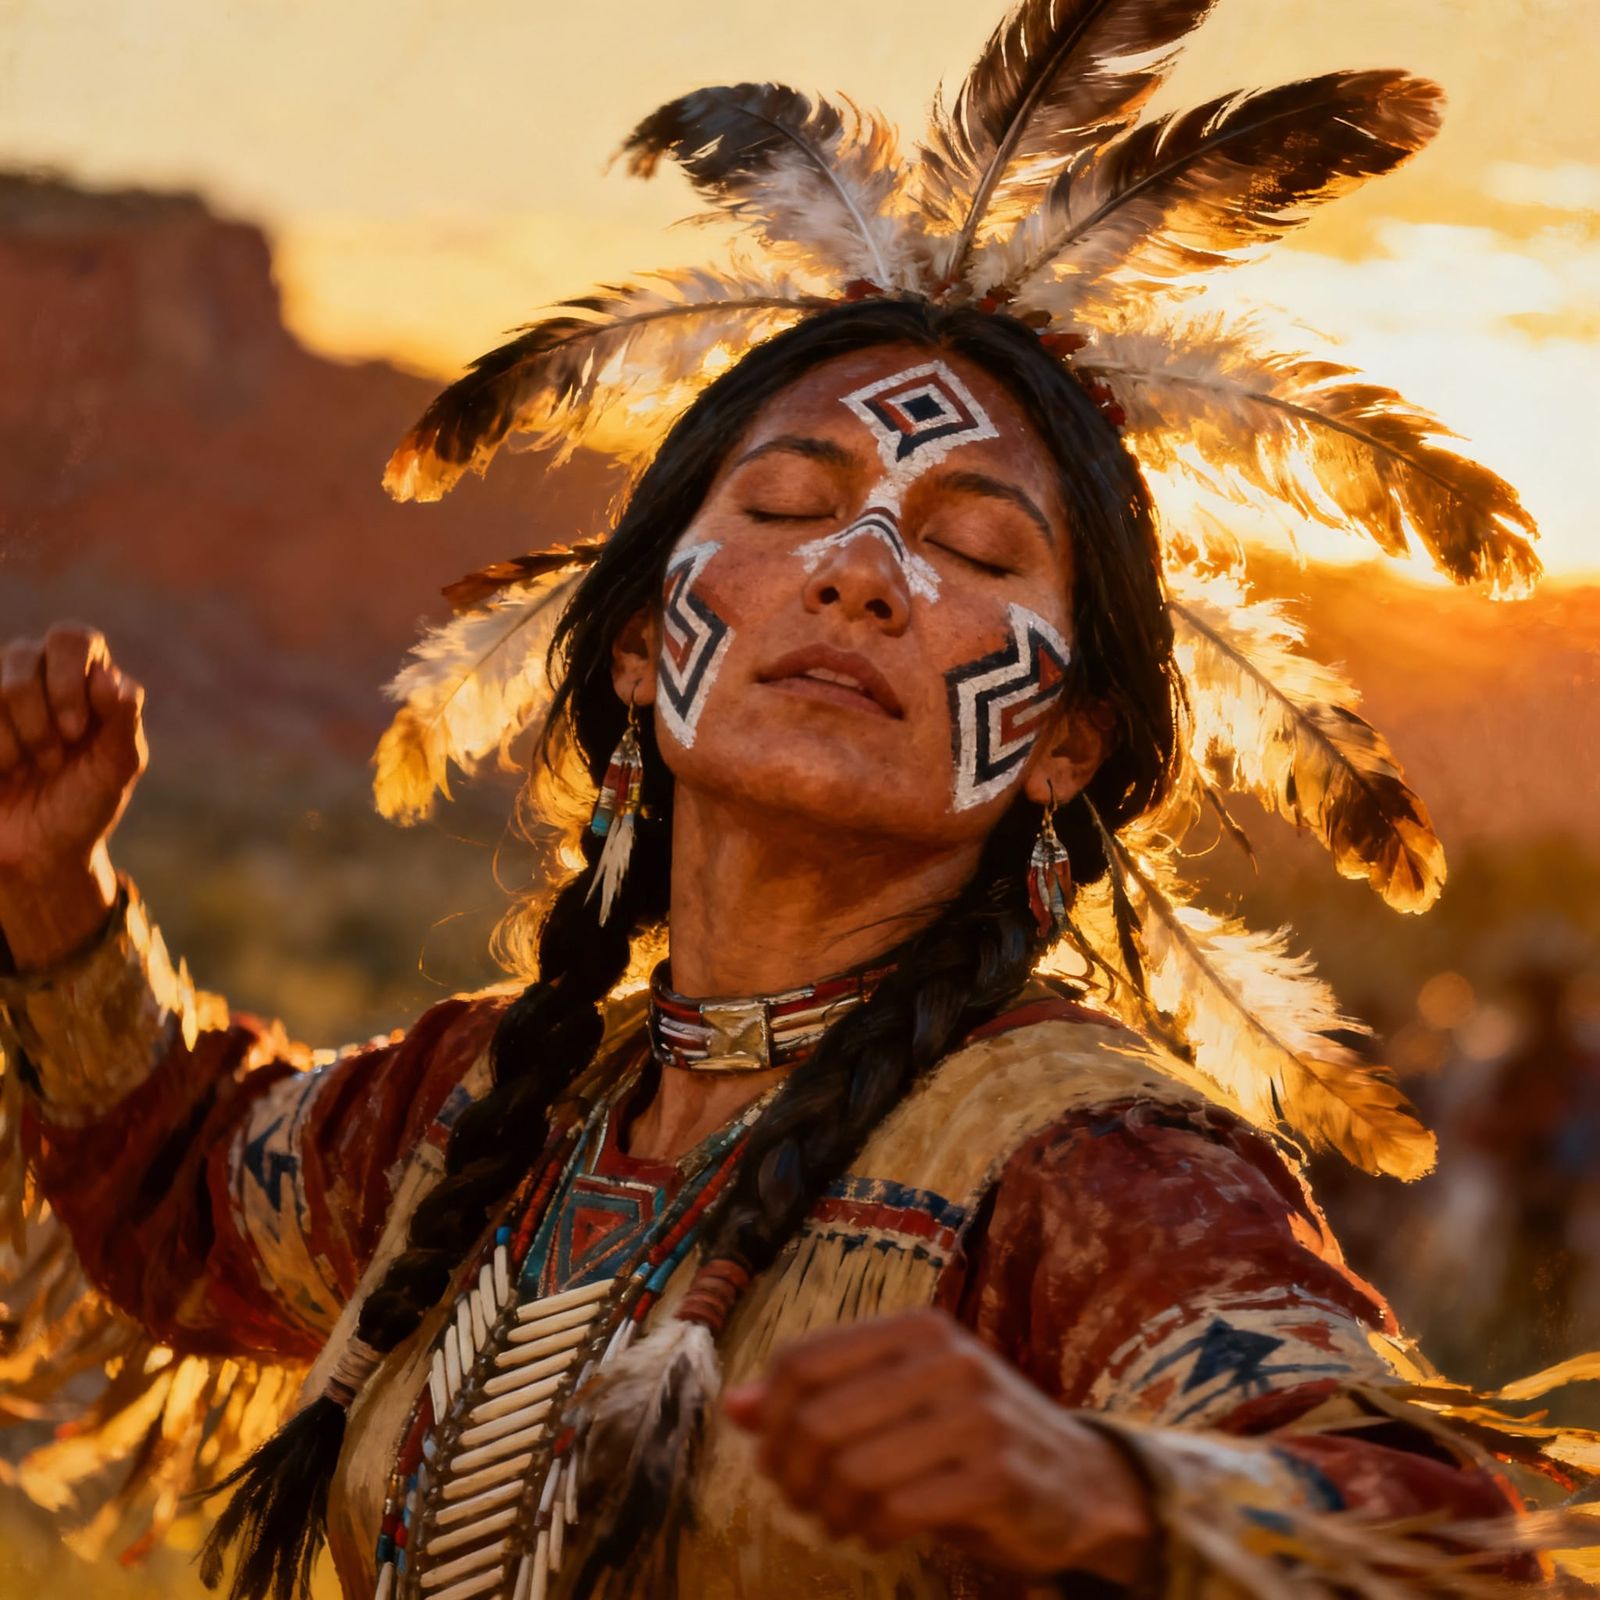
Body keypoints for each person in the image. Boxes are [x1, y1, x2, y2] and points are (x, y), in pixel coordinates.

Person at [0, 8, 1591, 1600]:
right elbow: (182, 1189)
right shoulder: (481, 1111)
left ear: (1064, 743)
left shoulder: (1091, 1170)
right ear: (638, 643)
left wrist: (1106, 1484)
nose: (865, 572)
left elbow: (1436, 1545)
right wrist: (51, 890)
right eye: (784, 505)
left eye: (976, 552)